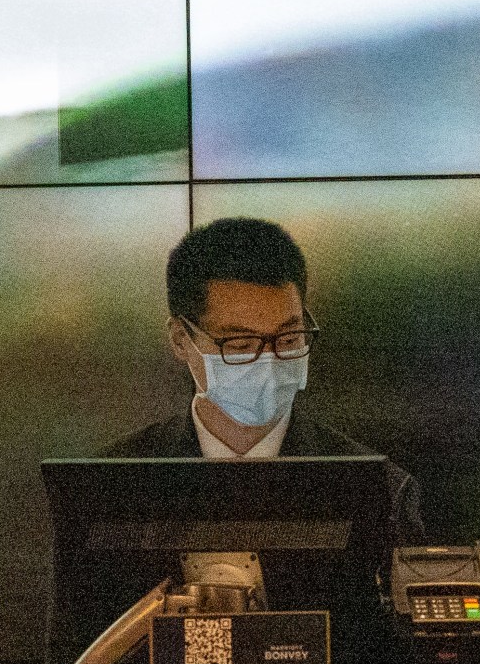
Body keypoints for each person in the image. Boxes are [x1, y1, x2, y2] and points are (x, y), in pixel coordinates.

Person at [104, 215, 421, 530]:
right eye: (241, 344)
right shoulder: (114, 482)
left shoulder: (376, 489)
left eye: (289, 339)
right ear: (180, 340)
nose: (270, 361)